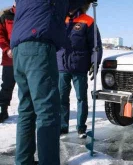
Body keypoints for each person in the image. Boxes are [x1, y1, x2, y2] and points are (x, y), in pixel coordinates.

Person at [10, 0, 87, 164]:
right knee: (48, 111)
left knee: (27, 110)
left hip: (19, 48)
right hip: (38, 46)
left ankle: (23, 161)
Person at [57, 0, 103, 138]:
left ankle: (81, 128)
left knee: (81, 98)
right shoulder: (59, 18)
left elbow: (95, 46)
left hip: (80, 66)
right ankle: (63, 126)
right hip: (61, 66)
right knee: (61, 98)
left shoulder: (88, 21)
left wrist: (95, 62)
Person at [0, 3, 16, 123]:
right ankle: (3, 110)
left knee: (28, 86)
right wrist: (7, 49)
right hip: (9, 59)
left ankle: (31, 111)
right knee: (7, 86)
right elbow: (0, 36)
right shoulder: (5, 16)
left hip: (27, 58)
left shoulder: (29, 13)